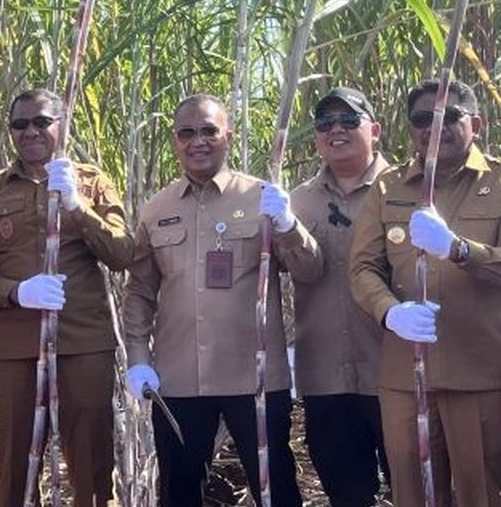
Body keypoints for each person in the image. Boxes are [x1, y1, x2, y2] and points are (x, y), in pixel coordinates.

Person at [122, 95, 321, 507]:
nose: (199, 141)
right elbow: (140, 291)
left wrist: (287, 224)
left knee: (276, 487)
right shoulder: (156, 210)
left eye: (209, 130)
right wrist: (138, 357)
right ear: (175, 141)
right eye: (187, 133)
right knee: (179, 490)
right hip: (177, 380)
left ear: (227, 135)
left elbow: (310, 270)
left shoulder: (262, 198)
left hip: (256, 378)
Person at [0, 88, 133, 507]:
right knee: (17, 465)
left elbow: (122, 254)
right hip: (15, 346)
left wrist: (76, 205)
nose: (31, 132)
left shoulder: (91, 182)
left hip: (82, 341)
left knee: (91, 463)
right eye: (20, 125)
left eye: (41, 122)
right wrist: (16, 292)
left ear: (61, 123)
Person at [350, 79, 501, 507]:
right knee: (413, 493)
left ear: (475, 123)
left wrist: (459, 249)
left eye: (447, 117)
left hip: (480, 374)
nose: (432, 128)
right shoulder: (389, 188)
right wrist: (389, 312)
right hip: (405, 377)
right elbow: (363, 268)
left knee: (481, 494)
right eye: (421, 119)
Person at [289, 88, 390, 506]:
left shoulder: (406, 190)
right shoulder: (297, 200)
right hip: (325, 376)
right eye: (325, 124)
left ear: (375, 130)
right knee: (347, 493)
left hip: (395, 373)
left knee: (418, 487)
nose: (337, 130)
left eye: (349, 121)